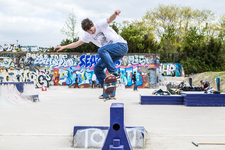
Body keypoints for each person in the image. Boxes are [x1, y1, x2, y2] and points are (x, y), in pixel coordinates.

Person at [54, 10, 128, 99]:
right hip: (113, 53)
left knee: (101, 50)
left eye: (91, 30)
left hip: (121, 46)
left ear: (93, 24)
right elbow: (77, 43)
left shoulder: (100, 24)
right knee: (97, 68)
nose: (91, 33)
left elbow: (110, 20)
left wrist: (115, 14)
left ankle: (114, 73)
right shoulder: (87, 35)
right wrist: (63, 47)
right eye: (88, 31)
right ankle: (108, 92)